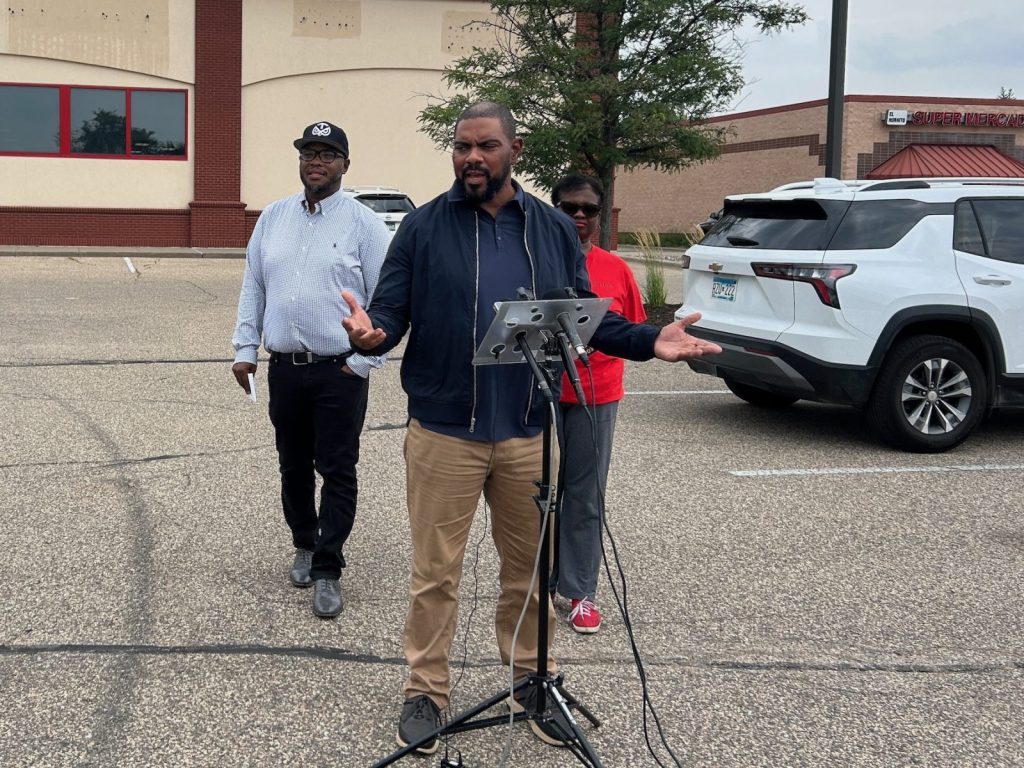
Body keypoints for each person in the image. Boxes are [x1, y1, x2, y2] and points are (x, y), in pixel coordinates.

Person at [340, 101, 721, 754]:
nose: (471, 158)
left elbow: (583, 314)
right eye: (462, 146)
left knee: (529, 572)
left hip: (527, 430)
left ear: (514, 150)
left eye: (485, 146)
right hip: (445, 432)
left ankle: (532, 684)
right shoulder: (424, 227)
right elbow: (390, 310)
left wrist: (648, 340)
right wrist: (371, 333)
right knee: (436, 574)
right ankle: (426, 691)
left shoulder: (550, 228)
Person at [231, 121, 390, 619]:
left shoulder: (365, 225)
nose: (315, 162)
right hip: (286, 370)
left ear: (345, 164)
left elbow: (387, 301)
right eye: (308, 153)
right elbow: (254, 284)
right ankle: (304, 541)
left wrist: (364, 362)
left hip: (339, 371)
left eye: (327, 154)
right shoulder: (274, 217)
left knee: (337, 469)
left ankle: (328, 567)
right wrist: (245, 347)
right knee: (293, 464)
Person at [549, 173, 645, 635]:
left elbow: (631, 330)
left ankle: (580, 591)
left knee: (585, 496)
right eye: (569, 208)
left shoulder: (616, 270)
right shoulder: (539, 264)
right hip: (543, 395)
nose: (579, 216)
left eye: (588, 209)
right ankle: (539, 584)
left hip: (596, 396)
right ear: (554, 211)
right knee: (537, 496)